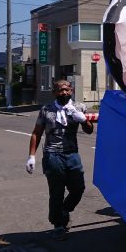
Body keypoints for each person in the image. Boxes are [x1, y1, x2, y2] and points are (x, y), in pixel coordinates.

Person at [26, 79, 94, 240]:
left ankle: (64, 211)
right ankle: (58, 225)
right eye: (59, 90)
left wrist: (83, 120)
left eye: (66, 90)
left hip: (72, 154)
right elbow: (37, 132)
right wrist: (31, 156)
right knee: (56, 191)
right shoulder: (46, 110)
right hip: (52, 155)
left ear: (71, 91)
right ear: (54, 93)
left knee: (78, 188)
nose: (63, 93)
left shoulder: (79, 107)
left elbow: (89, 130)